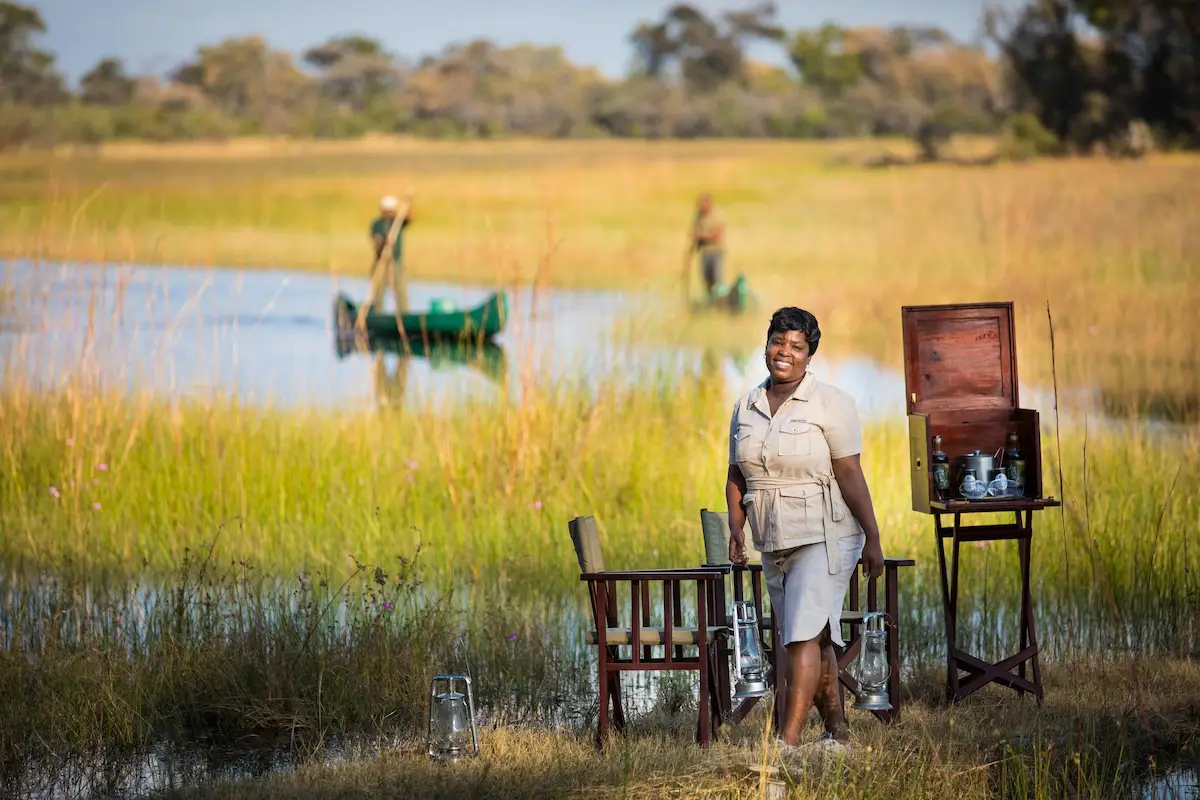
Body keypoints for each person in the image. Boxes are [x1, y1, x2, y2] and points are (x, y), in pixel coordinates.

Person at [725, 306, 885, 750]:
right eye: (779, 342)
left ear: (809, 356)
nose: (785, 352)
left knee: (799, 637)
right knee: (815, 638)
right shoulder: (747, 405)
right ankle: (838, 731)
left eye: (797, 346)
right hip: (772, 538)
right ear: (766, 345)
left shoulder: (831, 403)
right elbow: (737, 476)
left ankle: (788, 744)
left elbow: (850, 474)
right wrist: (737, 529)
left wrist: (873, 537)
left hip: (826, 535)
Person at [365, 193, 413, 315]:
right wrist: (385, 243)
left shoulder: (397, 223)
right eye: (387, 211)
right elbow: (376, 243)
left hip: (396, 262)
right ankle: (377, 315)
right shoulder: (377, 224)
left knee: (400, 292)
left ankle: (403, 316)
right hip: (381, 262)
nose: (389, 214)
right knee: (378, 293)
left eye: (392, 211)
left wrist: (407, 204)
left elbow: (408, 218)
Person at [692, 193, 725, 298]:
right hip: (704, 252)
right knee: (706, 280)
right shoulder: (699, 216)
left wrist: (701, 237)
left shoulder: (716, 215)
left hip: (715, 251)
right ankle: (710, 301)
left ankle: (719, 301)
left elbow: (717, 234)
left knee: (717, 279)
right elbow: (694, 233)